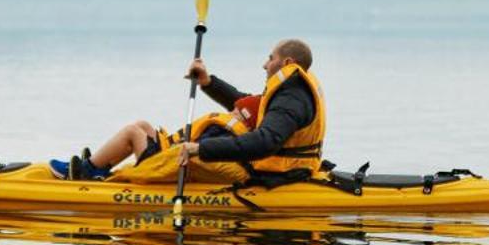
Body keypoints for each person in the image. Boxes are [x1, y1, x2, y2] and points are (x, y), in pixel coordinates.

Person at [59, 38, 327, 185]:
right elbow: (244, 103)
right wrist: (207, 82)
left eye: (270, 58)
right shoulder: (286, 92)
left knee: (132, 133)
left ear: (288, 62)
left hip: (266, 173)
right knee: (141, 125)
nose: (264, 64)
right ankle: (93, 167)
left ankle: (90, 175)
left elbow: (265, 142)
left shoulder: (291, 97)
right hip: (259, 164)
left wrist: (202, 149)